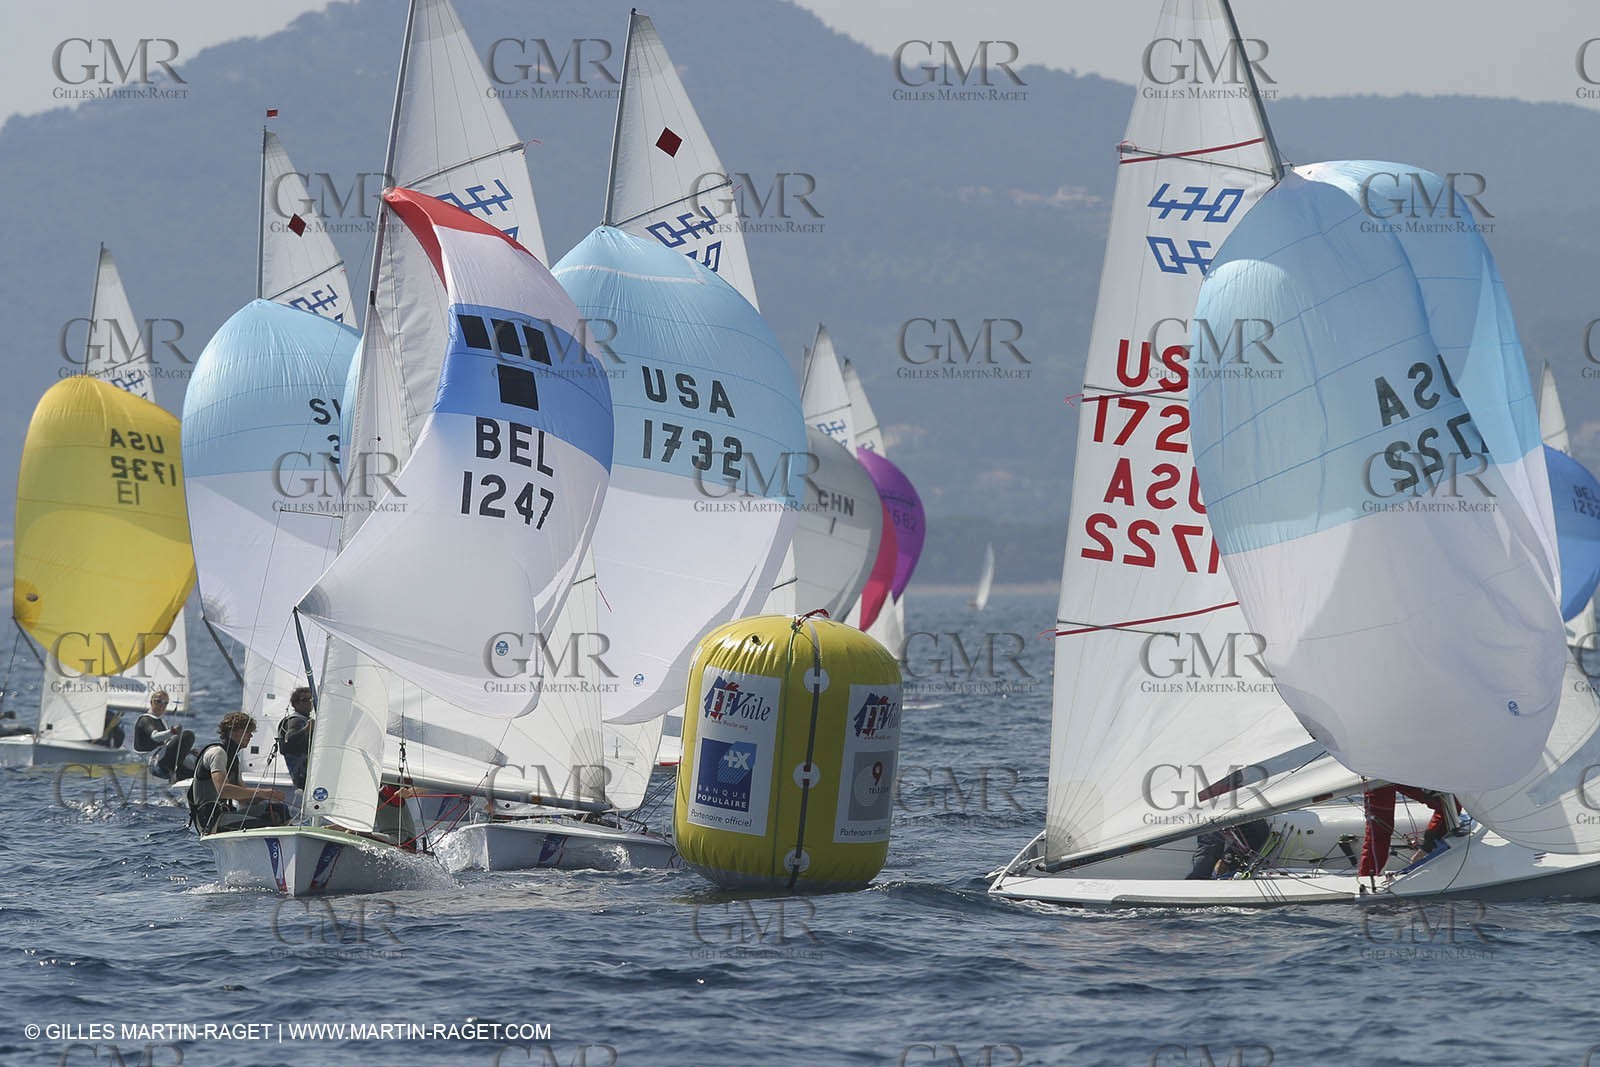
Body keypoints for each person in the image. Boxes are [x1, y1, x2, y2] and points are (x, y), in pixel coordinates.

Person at [187, 712, 289, 835]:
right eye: (247, 731)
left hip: (226, 814)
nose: (251, 735)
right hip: (210, 820)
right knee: (264, 824)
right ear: (233, 731)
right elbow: (223, 790)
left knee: (280, 811)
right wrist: (262, 792)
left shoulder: (234, 759)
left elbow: (243, 798)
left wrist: (269, 797)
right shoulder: (217, 753)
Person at [1357, 784, 1456, 883]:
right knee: (1379, 831)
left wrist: (1427, 846)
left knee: (1450, 804)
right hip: (1379, 776)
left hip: (1404, 773)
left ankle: (1427, 850)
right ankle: (1366, 880)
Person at [133, 690, 195, 782]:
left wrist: (187, 750)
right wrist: (172, 731)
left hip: (163, 762)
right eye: (158, 701)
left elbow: (168, 743)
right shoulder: (145, 720)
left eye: (165, 703)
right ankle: (175, 774)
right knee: (188, 735)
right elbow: (155, 737)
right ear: (151, 702)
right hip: (155, 766)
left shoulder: (161, 721)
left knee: (196, 761)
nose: (162, 705)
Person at [1186, 819, 1271, 880]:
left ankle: (1226, 866)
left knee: (1259, 828)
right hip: (1211, 807)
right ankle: (1197, 880)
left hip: (1235, 805)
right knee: (1212, 845)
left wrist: (1227, 860)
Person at [276, 688, 314, 790]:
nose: (309, 703)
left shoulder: (306, 719)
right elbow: (290, 739)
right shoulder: (296, 720)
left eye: (311, 699)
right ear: (295, 704)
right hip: (303, 774)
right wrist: (307, 729)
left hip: (308, 773)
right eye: (305, 700)